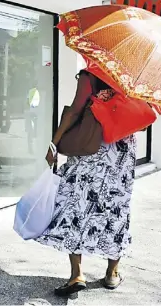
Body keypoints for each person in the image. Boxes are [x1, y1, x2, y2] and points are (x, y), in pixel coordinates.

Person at [40, 69, 136, 296]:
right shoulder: (133, 80)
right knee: (116, 209)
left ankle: (77, 274)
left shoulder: (90, 75)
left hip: (91, 147)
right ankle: (112, 274)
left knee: (76, 206)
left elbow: (74, 111)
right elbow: (141, 120)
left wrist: (54, 144)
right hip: (121, 152)